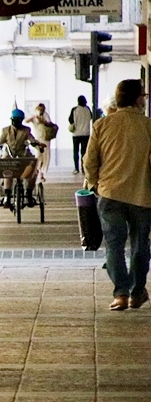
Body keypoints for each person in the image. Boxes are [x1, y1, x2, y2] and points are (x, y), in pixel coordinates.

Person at [83, 79, 151, 311]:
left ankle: (120, 293)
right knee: (141, 245)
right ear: (136, 98)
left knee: (114, 245)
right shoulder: (147, 126)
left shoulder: (101, 125)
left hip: (109, 194)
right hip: (142, 195)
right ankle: (136, 292)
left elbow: (90, 161)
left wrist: (94, 183)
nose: (144, 99)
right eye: (143, 95)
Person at [0, 108, 45, 207]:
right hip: (9, 154)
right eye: (14, 120)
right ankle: (7, 195)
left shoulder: (26, 130)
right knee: (7, 171)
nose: (16, 122)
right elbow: (0, 142)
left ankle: (28, 193)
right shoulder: (5, 130)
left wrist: (38, 145)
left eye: (18, 120)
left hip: (23, 154)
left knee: (33, 170)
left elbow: (32, 140)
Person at [24, 103, 54, 181]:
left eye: (42, 109)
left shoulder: (46, 115)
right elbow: (26, 121)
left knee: (45, 156)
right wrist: (34, 117)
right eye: (39, 109)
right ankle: (36, 171)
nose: (41, 111)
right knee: (38, 155)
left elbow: (49, 124)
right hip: (37, 139)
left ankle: (41, 173)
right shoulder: (34, 115)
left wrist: (43, 121)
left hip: (45, 139)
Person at [69, 95, 92, 174]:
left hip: (76, 134)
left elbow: (70, 120)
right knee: (84, 152)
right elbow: (91, 117)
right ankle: (83, 168)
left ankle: (76, 168)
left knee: (75, 151)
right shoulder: (88, 109)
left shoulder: (74, 109)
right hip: (86, 133)